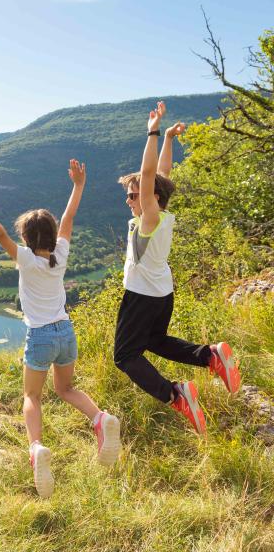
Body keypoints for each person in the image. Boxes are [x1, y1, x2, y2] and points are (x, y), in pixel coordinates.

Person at [0, 159, 121, 499]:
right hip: (66, 330)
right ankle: (99, 417)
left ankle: (36, 448)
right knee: (66, 388)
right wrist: (78, 185)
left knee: (32, 396)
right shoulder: (59, 255)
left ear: (26, 238)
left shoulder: (26, 260)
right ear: (50, 236)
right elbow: (68, 219)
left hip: (41, 336)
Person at [115, 101, 241, 435]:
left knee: (126, 356)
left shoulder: (148, 220)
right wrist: (170, 139)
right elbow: (160, 175)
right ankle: (210, 356)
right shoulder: (161, 216)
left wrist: (153, 132)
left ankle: (175, 394)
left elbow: (148, 176)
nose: (129, 200)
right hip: (161, 293)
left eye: (134, 195)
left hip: (142, 296)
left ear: (151, 197)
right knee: (154, 340)